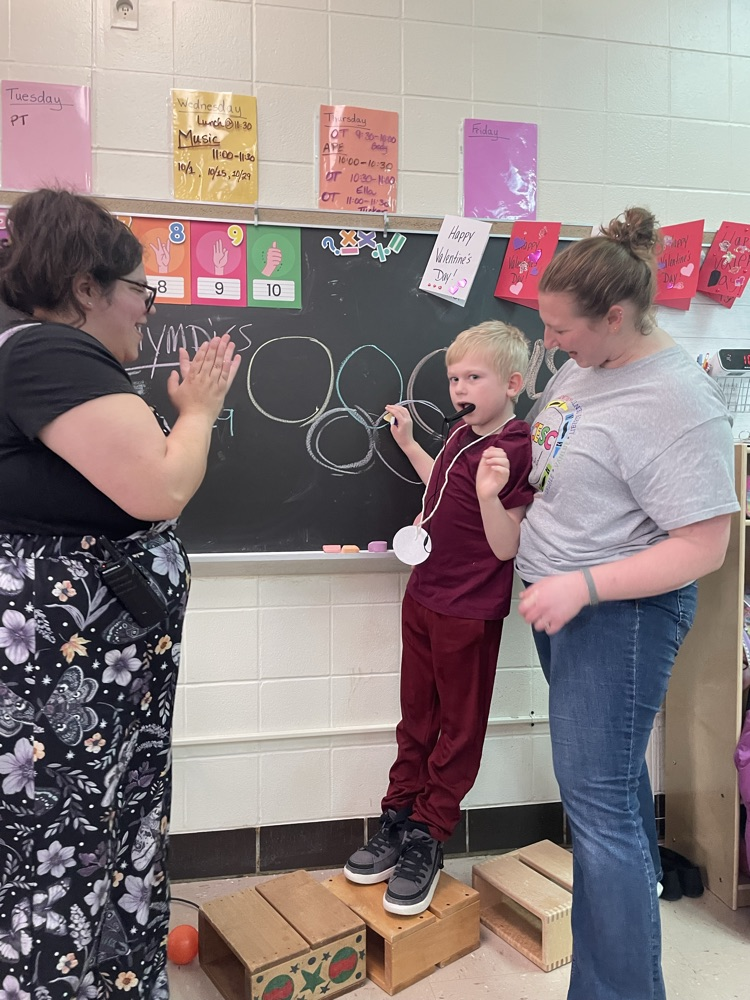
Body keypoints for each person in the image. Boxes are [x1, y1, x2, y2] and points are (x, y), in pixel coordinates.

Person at [0, 189, 241, 999]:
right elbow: (162, 487)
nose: (147, 309)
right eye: (142, 289)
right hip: (68, 676)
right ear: (85, 288)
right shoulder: (47, 353)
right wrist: (200, 411)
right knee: (58, 845)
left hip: (100, 677)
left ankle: (114, 979)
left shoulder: (48, 355)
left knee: (101, 835)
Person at [512, 207, 738, 1000]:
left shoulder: (678, 402)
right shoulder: (590, 365)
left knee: (599, 811)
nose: (551, 344)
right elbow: (567, 458)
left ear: (615, 316)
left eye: (561, 328)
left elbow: (704, 546)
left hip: (619, 617)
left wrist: (583, 584)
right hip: (567, 607)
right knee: (613, 789)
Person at [344, 321, 534, 915]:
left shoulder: (516, 446)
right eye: (454, 378)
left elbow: (508, 546)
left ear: (513, 382)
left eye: (473, 377)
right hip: (424, 593)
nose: (459, 388)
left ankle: (431, 833)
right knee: (416, 718)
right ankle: (398, 817)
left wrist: (488, 497)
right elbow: (439, 492)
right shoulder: (460, 435)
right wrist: (407, 445)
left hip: (469, 609)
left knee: (458, 727)